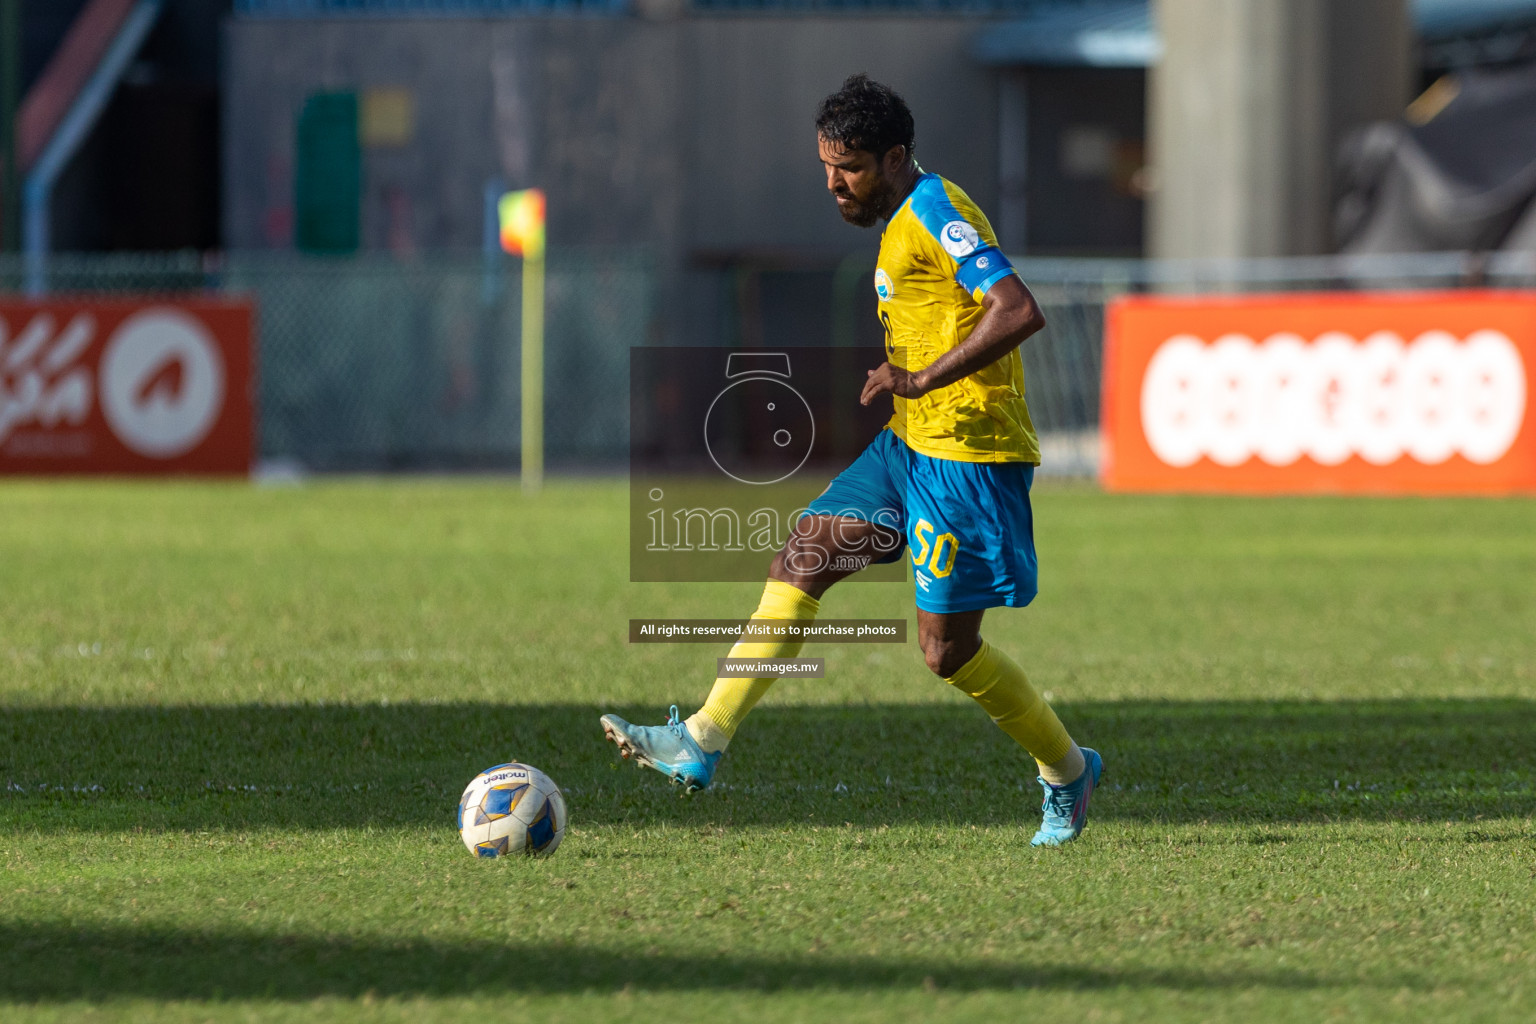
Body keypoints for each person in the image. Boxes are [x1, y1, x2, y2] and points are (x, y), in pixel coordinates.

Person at [602, 73, 1102, 846]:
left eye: (852, 167)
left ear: (898, 156)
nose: (835, 184)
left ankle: (1068, 772)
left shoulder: (938, 210)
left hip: (968, 458)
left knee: (945, 653)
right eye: (827, 166)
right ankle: (702, 739)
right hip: (908, 443)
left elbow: (1018, 309)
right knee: (802, 556)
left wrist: (922, 375)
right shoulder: (900, 215)